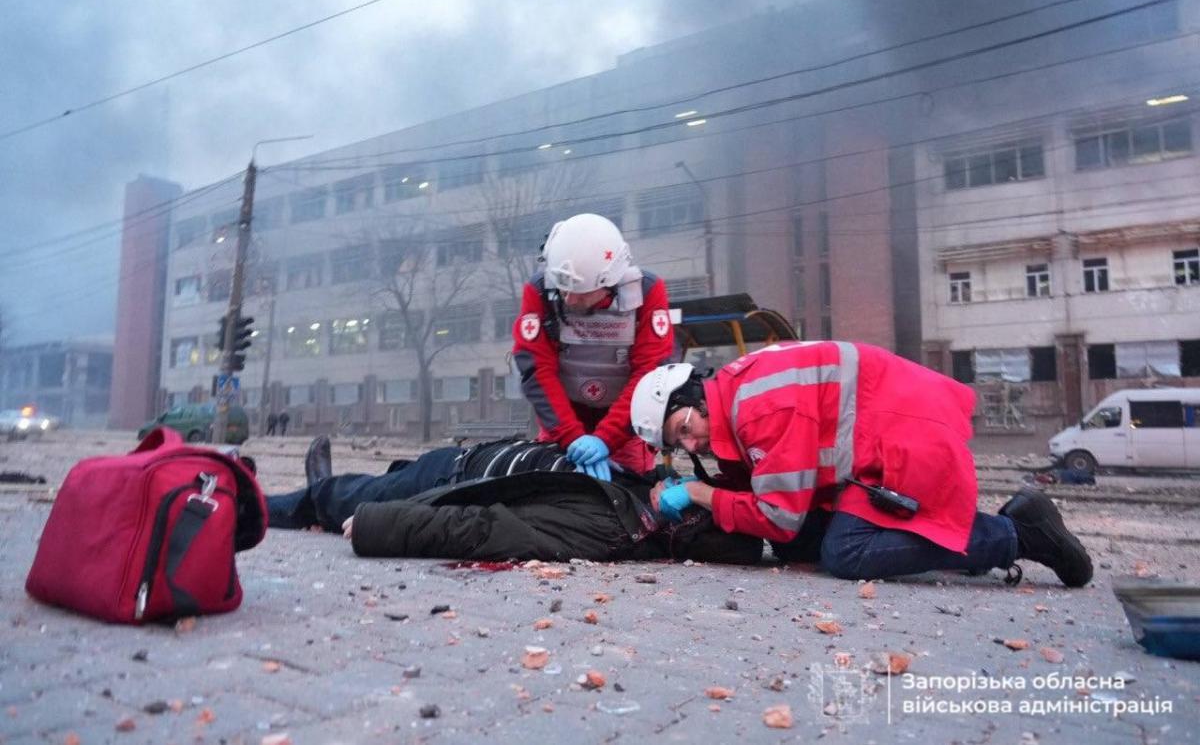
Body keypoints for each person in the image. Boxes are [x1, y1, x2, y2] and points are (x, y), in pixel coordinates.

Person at [628, 341, 1094, 588]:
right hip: (890, 429)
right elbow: (765, 486)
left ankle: (1019, 536)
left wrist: (695, 492)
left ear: (690, 397)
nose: (693, 443)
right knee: (804, 547)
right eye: (679, 444)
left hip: (903, 435)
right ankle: (993, 533)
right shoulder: (735, 392)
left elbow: (778, 516)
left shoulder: (760, 409)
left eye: (685, 427)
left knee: (845, 553)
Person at [267, 436, 763, 565]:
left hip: (459, 478)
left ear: (682, 519)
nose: (670, 479)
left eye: (684, 493)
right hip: (475, 462)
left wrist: (382, 526)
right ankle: (319, 495)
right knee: (385, 477)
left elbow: (487, 528)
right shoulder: (639, 494)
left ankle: (255, 503)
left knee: (346, 498)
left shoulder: (616, 525)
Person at [513, 213, 674, 483]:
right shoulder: (540, 291)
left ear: (611, 281)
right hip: (563, 419)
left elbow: (649, 374)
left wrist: (607, 438)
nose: (569, 298)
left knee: (630, 493)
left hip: (624, 424)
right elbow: (537, 371)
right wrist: (570, 435)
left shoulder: (646, 292)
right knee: (549, 488)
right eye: (563, 289)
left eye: (582, 291)